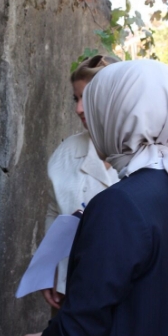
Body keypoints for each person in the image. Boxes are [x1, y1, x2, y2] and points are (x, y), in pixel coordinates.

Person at [14, 60, 168, 336]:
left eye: (96, 105)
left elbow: (83, 325)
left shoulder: (119, 203)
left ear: (116, 113)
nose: (83, 112)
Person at [41, 55, 120, 309]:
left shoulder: (149, 156)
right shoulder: (67, 151)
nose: (78, 109)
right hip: (71, 292)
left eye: (87, 98)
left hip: (121, 295)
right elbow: (55, 211)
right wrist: (49, 268)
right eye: (76, 99)